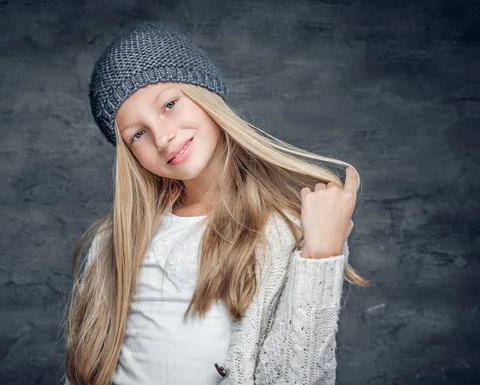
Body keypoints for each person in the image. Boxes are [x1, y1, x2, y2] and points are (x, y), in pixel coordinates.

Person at [65, 22, 369, 385]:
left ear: (207, 95)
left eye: (170, 104)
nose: (163, 138)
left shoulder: (289, 230)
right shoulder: (115, 242)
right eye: (138, 134)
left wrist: (320, 256)